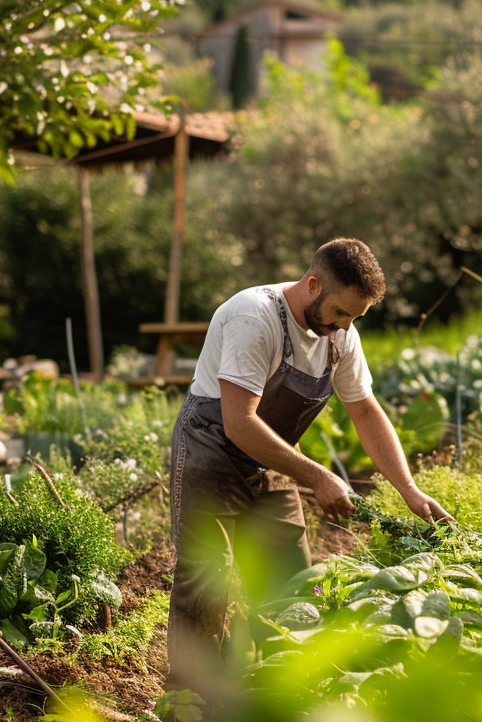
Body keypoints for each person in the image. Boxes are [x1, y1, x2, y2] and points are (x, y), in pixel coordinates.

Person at [167, 237, 450, 685]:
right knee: (206, 579)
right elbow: (239, 423)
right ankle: (191, 706)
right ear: (313, 284)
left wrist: (409, 490)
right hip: (211, 450)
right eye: (339, 312)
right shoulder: (254, 318)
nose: (343, 326)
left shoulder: (341, 336)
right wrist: (318, 476)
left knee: (293, 584)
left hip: (274, 456)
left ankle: (283, 691)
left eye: (354, 318)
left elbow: (365, 411)